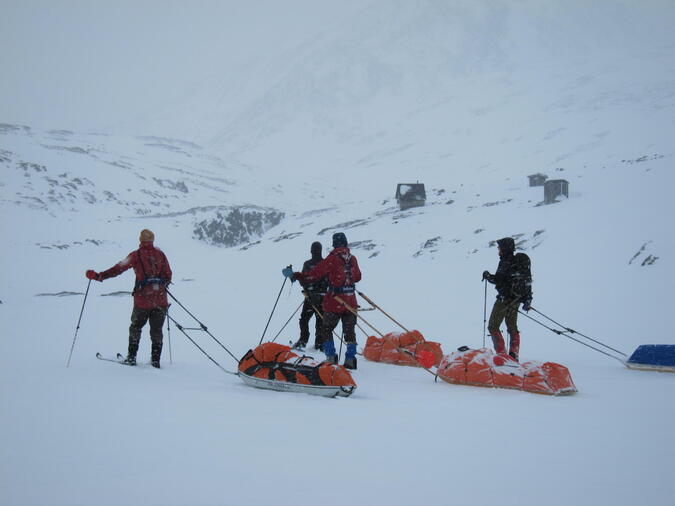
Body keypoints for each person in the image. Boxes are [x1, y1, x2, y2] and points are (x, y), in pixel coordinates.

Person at [85, 229, 172, 368]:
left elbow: (118, 269)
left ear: (140, 240)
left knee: (135, 328)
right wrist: (158, 288)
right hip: (161, 301)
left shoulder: (135, 256)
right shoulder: (160, 254)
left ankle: (131, 357)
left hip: (142, 301)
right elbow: (168, 275)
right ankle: (155, 361)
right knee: (157, 331)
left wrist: (98, 276)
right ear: (152, 240)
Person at [288, 232, 362, 369]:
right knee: (349, 331)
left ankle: (330, 357)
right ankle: (350, 359)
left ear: (334, 244)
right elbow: (357, 277)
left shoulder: (332, 258)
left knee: (326, 329)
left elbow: (314, 274)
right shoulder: (353, 259)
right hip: (350, 300)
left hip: (335, 301)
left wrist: (298, 276)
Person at [482, 237, 532, 362]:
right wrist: (527, 299)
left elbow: (499, 280)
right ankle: (514, 356)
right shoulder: (518, 261)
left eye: (499, 247)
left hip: (504, 300)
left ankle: (502, 356)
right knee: (512, 327)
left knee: (493, 326)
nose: (498, 250)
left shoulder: (505, 261)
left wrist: (488, 276)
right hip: (516, 300)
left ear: (504, 248)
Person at [292, 241, 328, 351]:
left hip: (310, 297)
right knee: (320, 320)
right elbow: (328, 280)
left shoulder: (307, 264)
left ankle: (303, 340)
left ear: (311, 251)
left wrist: (296, 278)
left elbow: (304, 281)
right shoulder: (325, 263)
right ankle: (320, 343)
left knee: (304, 319)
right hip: (323, 297)